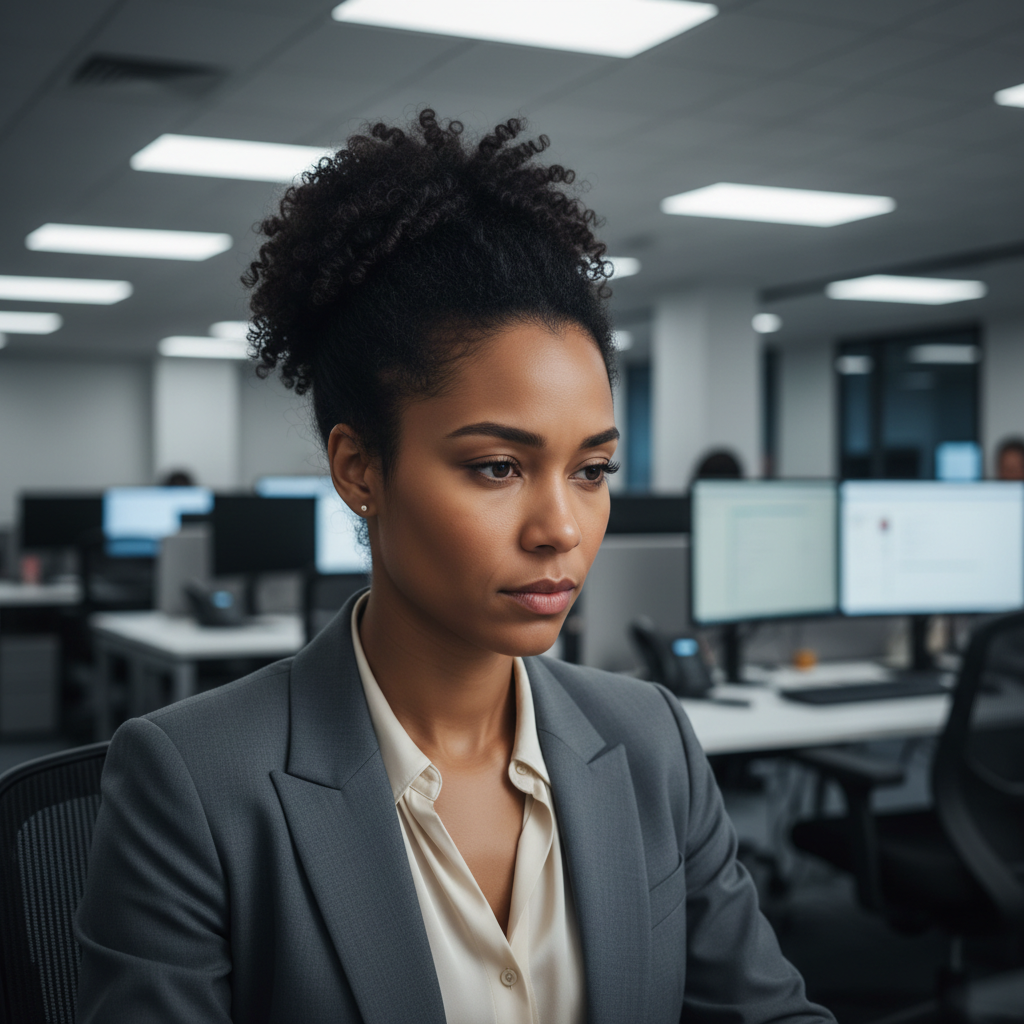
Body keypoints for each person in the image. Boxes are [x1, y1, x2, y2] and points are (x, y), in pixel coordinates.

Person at [76, 111, 833, 1024]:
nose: (561, 527)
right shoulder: (193, 782)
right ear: (360, 469)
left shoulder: (649, 741)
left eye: (592, 471)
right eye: (497, 467)